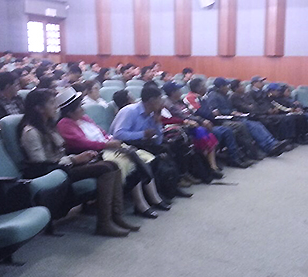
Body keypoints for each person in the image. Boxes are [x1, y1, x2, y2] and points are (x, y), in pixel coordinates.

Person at [18, 89, 136, 237]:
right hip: (54, 172)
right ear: (38, 108)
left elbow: (61, 153)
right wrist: (74, 159)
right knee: (106, 168)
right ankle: (104, 223)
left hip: (65, 165)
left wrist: (78, 157)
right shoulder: (31, 132)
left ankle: (116, 217)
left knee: (112, 165)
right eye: (52, 103)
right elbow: (41, 164)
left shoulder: (49, 125)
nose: (56, 106)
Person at [56, 87, 169, 218]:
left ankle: (154, 198)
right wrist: (106, 144)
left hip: (109, 147)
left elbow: (103, 133)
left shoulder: (85, 118)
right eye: (79, 107)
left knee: (141, 157)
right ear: (70, 112)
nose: (83, 109)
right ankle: (140, 204)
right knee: (130, 161)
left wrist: (111, 141)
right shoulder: (65, 124)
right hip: (94, 153)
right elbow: (81, 143)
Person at [184, 78, 253, 168]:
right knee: (228, 130)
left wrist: (212, 112)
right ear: (198, 88)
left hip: (214, 120)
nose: (206, 87)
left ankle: (237, 157)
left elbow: (209, 110)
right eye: (204, 86)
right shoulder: (191, 97)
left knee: (231, 129)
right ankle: (234, 158)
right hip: (204, 124)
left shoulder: (203, 97)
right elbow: (199, 112)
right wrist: (211, 113)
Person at [162, 81, 223, 179]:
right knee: (202, 133)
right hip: (183, 127)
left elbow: (191, 114)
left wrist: (200, 120)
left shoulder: (180, 101)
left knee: (209, 135)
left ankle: (212, 166)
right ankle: (207, 166)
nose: (181, 91)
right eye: (178, 89)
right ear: (173, 92)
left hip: (192, 124)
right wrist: (200, 121)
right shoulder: (168, 104)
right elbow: (181, 117)